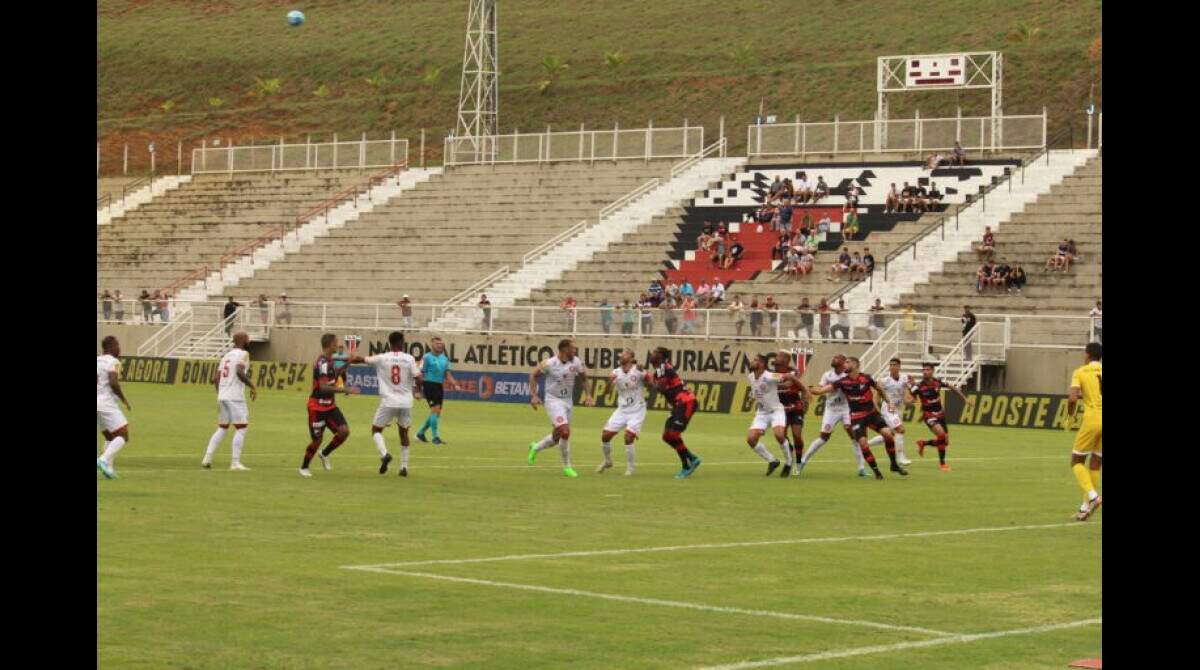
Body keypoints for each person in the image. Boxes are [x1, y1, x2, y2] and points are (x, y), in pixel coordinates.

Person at [809, 356, 907, 479]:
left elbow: (879, 388)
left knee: (888, 434)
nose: (844, 364)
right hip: (856, 417)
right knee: (863, 444)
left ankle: (893, 464)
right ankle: (877, 472)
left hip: (871, 413)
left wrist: (888, 401)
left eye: (847, 362)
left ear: (855, 365)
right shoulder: (842, 382)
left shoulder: (866, 378)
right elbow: (821, 390)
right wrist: (808, 389)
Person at [353, 330, 423, 477]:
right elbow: (419, 377)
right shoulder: (409, 358)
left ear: (390, 343)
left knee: (376, 430)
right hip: (406, 402)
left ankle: (385, 454)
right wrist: (418, 391)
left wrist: (348, 359)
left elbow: (362, 359)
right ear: (401, 343)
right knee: (404, 433)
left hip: (389, 401)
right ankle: (404, 468)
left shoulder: (382, 357)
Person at [527, 338, 596, 478]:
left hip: (567, 402)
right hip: (553, 400)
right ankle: (567, 467)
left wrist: (588, 395)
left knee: (557, 436)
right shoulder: (549, 363)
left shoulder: (576, 361)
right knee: (565, 431)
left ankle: (536, 447)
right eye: (573, 348)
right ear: (564, 349)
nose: (575, 351)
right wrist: (534, 395)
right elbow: (534, 376)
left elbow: (584, 378)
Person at [299, 333, 361, 477]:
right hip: (317, 407)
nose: (338, 344)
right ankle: (304, 467)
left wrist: (348, 363)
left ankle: (324, 454)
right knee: (317, 440)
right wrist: (346, 389)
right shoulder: (323, 363)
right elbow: (323, 387)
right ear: (330, 344)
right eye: (336, 342)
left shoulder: (329, 361)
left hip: (330, 406)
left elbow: (335, 374)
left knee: (344, 431)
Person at [796, 354, 867, 477]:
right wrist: (808, 390)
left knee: (855, 436)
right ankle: (803, 461)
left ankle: (861, 468)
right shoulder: (827, 375)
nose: (833, 359)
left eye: (836, 358)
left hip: (847, 409)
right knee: (823, 437)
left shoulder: (848, 374)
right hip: (831, 410)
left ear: (843, 362)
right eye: (833, 358)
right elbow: (820, 388)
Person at [201, 331, 257, 471]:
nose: (249, 341)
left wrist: (220, 394)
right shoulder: (244, 354)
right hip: (235, 397)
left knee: (222, 428)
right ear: (244, 341)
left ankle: (207, 458)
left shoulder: (226, 356)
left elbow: (216, 378)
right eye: (248, 339)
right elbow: (239, 371)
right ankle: (235, 463)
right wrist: (252, 385)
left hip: (222, 396)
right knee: (242, 428)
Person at [746, 353, 806, 476]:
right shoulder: (751, 376)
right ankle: (772, 461)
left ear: (762, 364)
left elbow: (790, 377)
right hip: (762, 413)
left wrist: (805, 391)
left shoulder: (769, 375)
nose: (752, 361)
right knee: (751, 439)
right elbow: (757, 391)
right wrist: (752, 398)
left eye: (755, 360)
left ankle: (789, 462)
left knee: (779, 435)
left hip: (776, 411)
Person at [648, 346, 703, 478]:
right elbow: (653, 386)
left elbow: (660, 388)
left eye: (655, 352)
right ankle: (692, 458)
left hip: (686, 402)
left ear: (661, 356)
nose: (652, 354)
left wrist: (648, 379)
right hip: (678, 405)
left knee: (673, 434)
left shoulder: (664, 367)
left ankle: (687, 465)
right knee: (667, 436)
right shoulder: (658, 371)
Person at [911, 362, 973, 472]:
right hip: (929, 416)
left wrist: (965, 399)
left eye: (927, 369)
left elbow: (952, 387)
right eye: (923, 370)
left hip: (940, 414)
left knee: (945, 441)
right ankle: (942, 464)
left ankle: (923, 443)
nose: (925, 371)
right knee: (941, 435)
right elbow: (910, 398)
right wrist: (910, 393)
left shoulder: (937, 382)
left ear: (932, 371)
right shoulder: (918, 386)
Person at [1066, 342, 1103, 521]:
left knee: (1076, 461)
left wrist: (1070, 416)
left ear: (1088, 355)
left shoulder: (1080, 371)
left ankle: (1094, 497)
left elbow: (1072, 398)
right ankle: (1084, 508)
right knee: (1096, 463)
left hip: (1092, 418)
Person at [597, 349, 646, 476]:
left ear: (631, 358)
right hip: (622, 410)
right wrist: (609, 381)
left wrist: (645, 374)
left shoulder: (638, 371)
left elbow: (651, 385)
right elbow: (607, 393)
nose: (621, 357)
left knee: (628, 437)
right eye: (620, 355)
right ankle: (608, 461)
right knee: (605, 436)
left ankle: (630, 468)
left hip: (637, 410)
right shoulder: (616, 372)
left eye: (624, 355)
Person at [96, 335, 133, 480]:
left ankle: (108, 469)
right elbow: (113, 382)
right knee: (123, 435)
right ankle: (103, 460)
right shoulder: (114, 362)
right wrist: (124, 399)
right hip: (106, 403)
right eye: (117, 345)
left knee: (109, 436)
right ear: (111, 347)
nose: (119, 348)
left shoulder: (97, 360)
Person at [773, 349, 813, 474]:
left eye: (779, 355)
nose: (776, 357)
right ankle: (789, 450)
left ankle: (799, 462)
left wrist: (771, 383)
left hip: (795, 408)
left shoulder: (793, 372)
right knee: (782, 436)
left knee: (797, 435)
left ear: (785, 359)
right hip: (781, 410)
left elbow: (788, 384)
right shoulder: (773, 372)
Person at [868, 358, 913, 466]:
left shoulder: (904, 379)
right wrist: (877, 411)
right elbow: (876, 398)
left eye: (895, 365)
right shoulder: (884, 381)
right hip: (888, 408)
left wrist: (910, 400)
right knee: (900, 430)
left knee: (889, 434)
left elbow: (907, 398)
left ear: (899, 367)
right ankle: (901, 457)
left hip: (898, 409)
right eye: (891, 365)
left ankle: (866, 444)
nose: (892, 367)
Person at [417, 336, 457, 445]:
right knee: (435, 410)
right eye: (437, 343)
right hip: (429, 384)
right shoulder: (426, 357)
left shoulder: (444, 358)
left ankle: (420, 433)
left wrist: (454, 384)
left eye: (441, 343)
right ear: (432, 345)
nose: (440, 345)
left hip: (439, 386)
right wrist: (418, 390)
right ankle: (435, 437)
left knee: (437, 413)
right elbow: (420, 373)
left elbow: (447, 374)